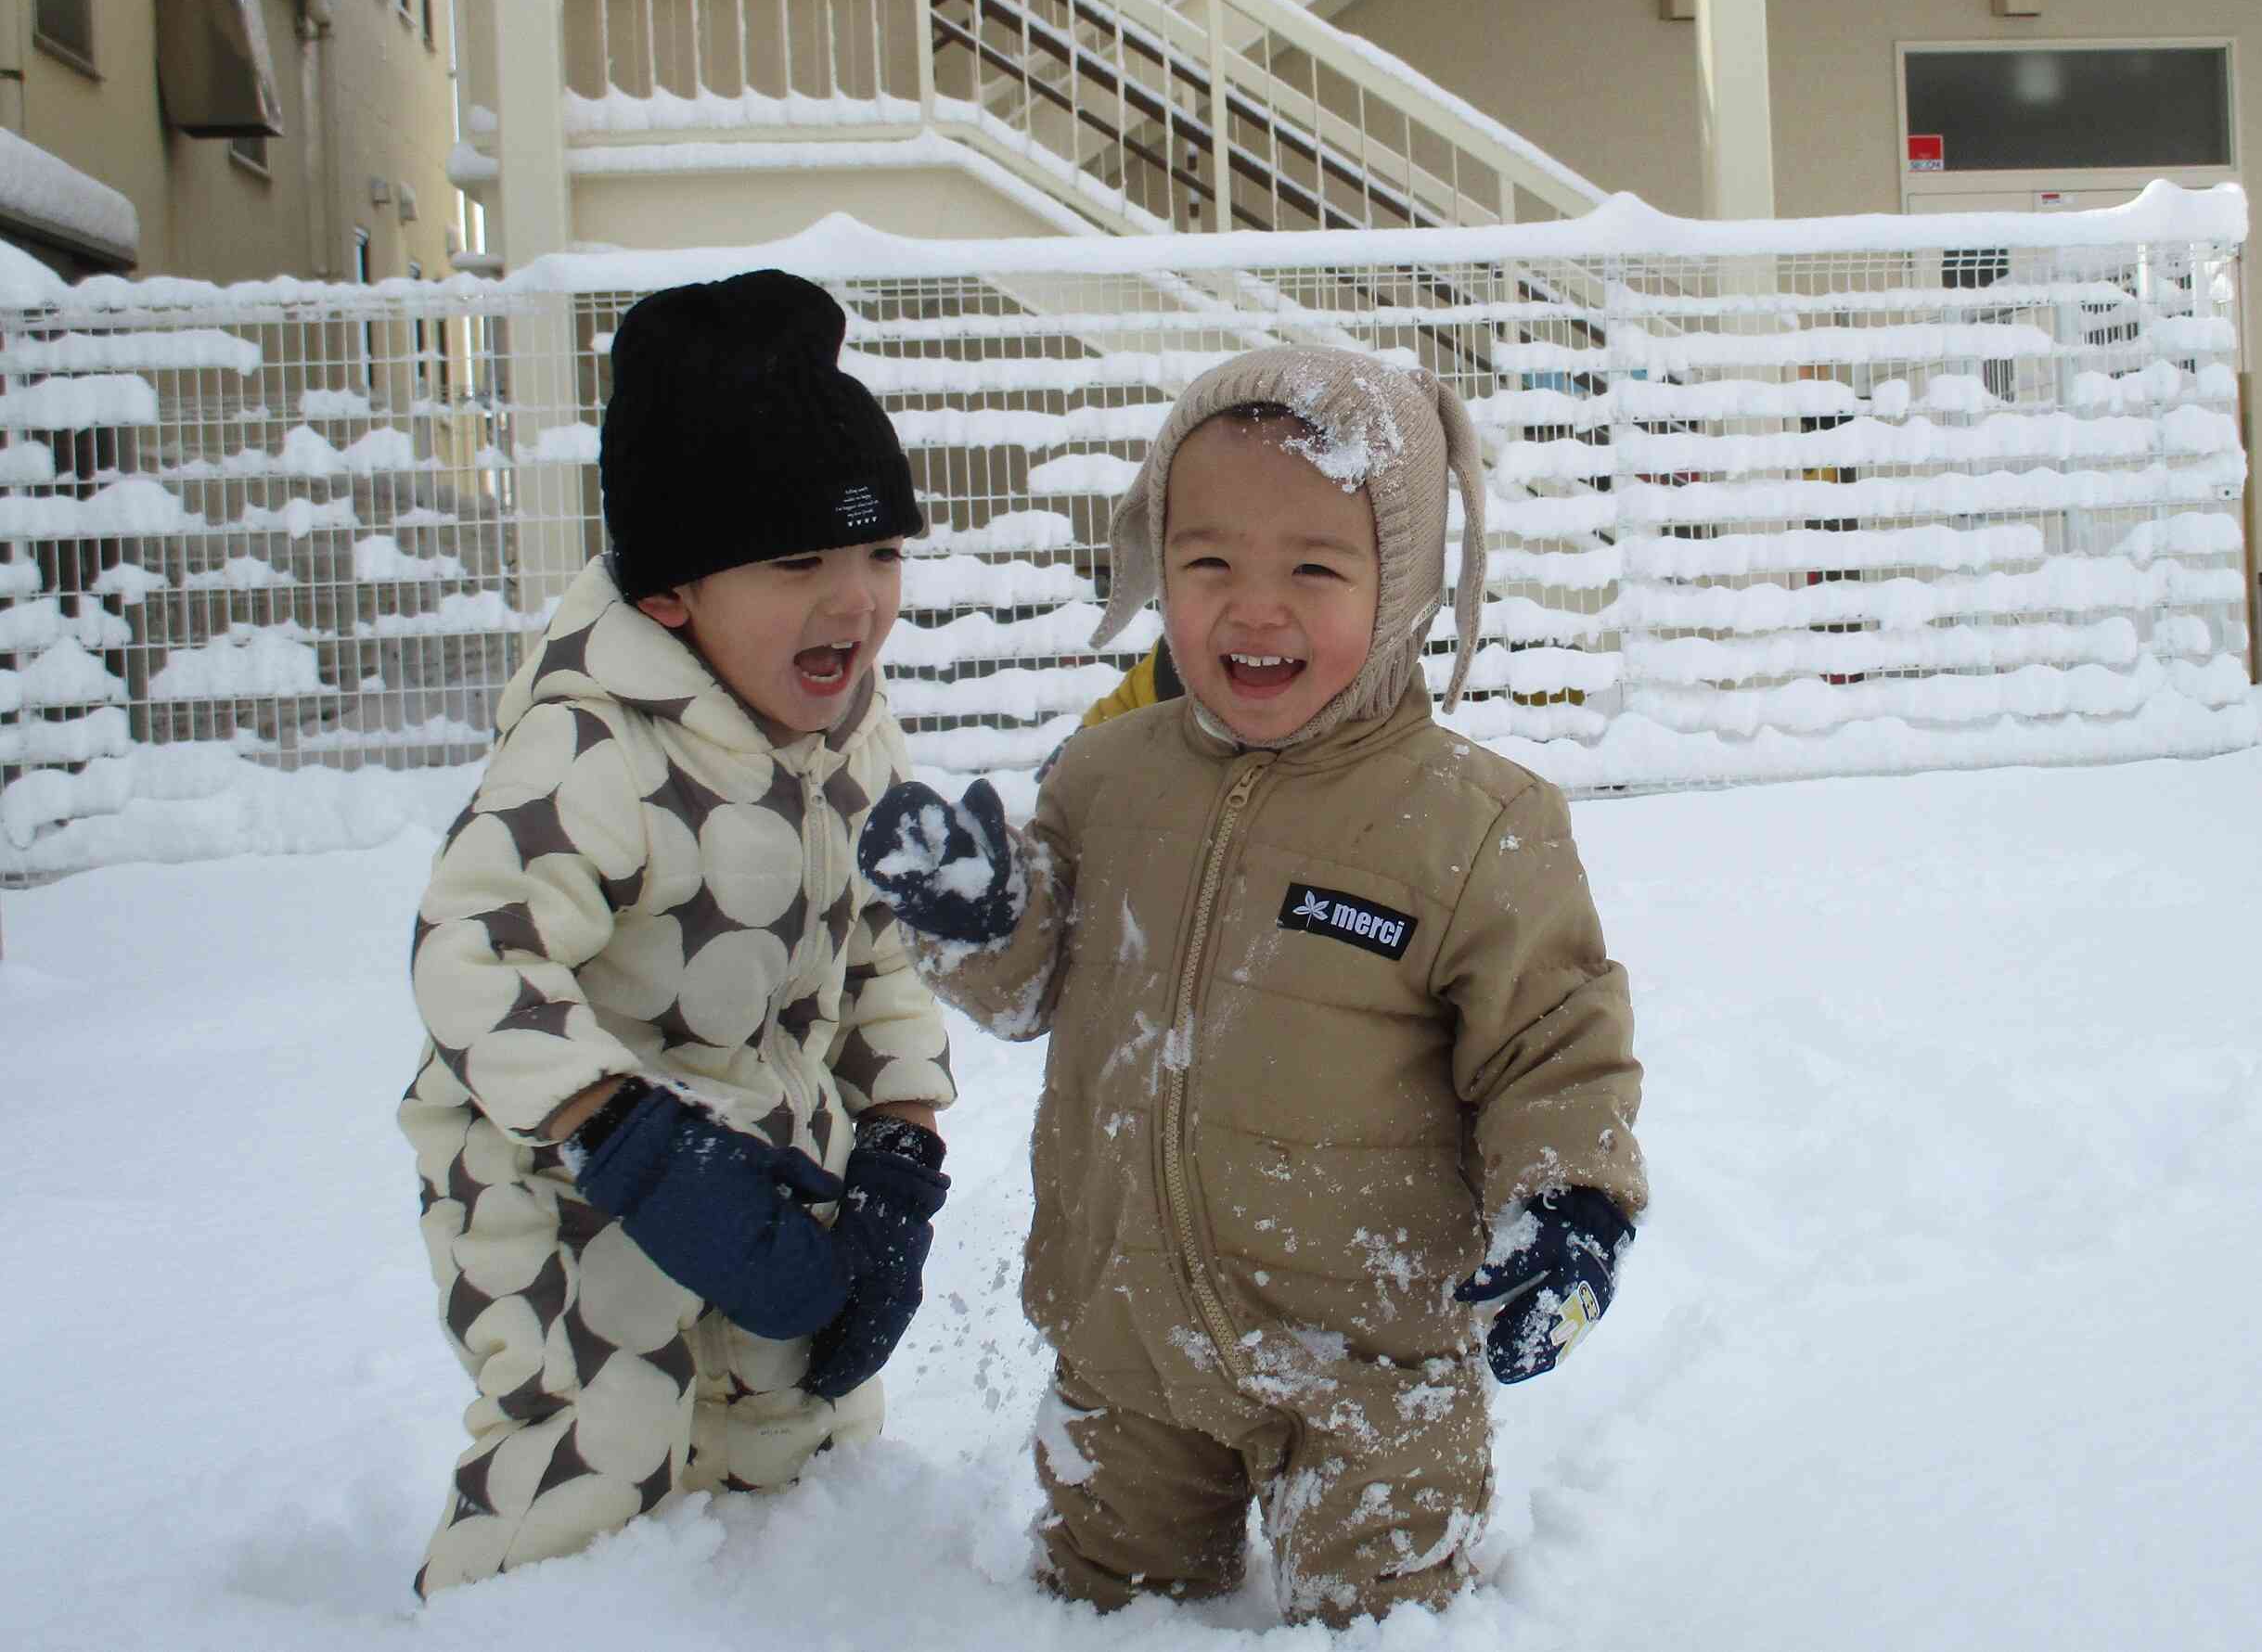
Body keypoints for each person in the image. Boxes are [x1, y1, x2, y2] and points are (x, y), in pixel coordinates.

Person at [859, 345, 1645, 1624]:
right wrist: (982, 915)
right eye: (1209, 562)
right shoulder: (1106, 777)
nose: (1254, 609)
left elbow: (1554, 1047)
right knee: (1098, 1611)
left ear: (1401, 586)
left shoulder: (1476, 822)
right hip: (1126, 1339)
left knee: (1384, 1617)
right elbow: (1032, 986)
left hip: (1373, 1359)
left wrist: (1571, 1205)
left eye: (1314, 570)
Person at [398, 270, 959, 1595]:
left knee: (797, 1440)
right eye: (797, 560)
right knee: (606, 1445)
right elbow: (474, 949)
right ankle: (514, 1617)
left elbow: (882, 958)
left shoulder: (856, 737)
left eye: (880, 552)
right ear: (668, 593)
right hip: (566, 1174)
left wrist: (901, 1155)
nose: (856, 601)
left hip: (778, 1165)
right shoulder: (592, 741)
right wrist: (632, 1142)